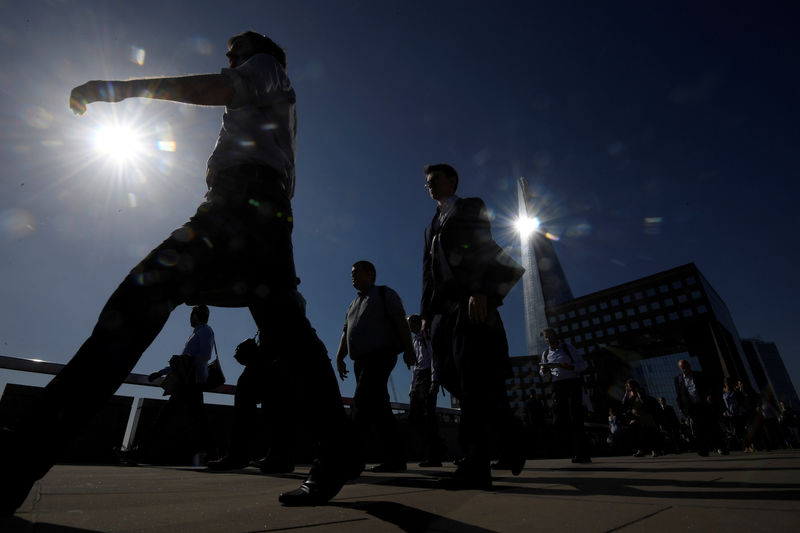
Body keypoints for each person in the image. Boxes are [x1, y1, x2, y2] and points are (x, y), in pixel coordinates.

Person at [1, 31, 357, 515]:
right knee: (288, 332)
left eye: (234, 54)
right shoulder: (274, 99)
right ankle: (339, 450)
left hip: (241, 209)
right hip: (259, 211)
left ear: (253, 54)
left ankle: (22, 456)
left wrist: (118, 89)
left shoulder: (265, 69)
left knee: (139, 297)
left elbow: (217, 89)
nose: (229, 60)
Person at [420, 163, 525, 489]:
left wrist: (480, 289)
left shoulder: (470, 206)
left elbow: (481, 246)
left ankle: (475, 464)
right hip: (443, 310)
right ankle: (511, 435)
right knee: (451, 375)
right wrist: (425, 314)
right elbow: (428, 272)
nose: (430, 186)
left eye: (435, 180)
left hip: (471, 302)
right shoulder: (430, 226)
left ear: (452, 180)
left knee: (471, 377)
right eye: (427, 183)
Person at [335, 261, 415, 472]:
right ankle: (396, 459)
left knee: (361, 401)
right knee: (381, 409)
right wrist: (339, 356)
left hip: (381, 356)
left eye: (356, 273)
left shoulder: (384, 293)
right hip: (359, 361)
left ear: (370, 274)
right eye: (351, 274)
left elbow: (400, 321)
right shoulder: (352, 304)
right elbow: (346, 332)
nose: (352, 276)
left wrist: (409, 349)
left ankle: (350, 458)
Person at [122, 305, 215, 464]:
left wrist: (187, 363)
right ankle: (212, 454)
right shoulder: (196, 333)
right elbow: (183, 362)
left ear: (197, 315)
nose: (189, 318)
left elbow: (205, 355)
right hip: (187, 382)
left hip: (191, 383)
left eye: (191, 315)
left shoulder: (205, 331)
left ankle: (141, 452)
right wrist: (161, 372)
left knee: (167, 417)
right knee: (196, 419)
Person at [539, 328, 591, 463]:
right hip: (557, 386)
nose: (548, 339)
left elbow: (582, 364)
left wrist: (570, 367)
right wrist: (544, 370)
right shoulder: (545, 353)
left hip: (572, 383)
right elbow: (542, 372)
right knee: (560, 418)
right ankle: (569, 449)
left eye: (550, 336)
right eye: (546, 337)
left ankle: (582, 453)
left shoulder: (568, 347)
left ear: (555, 336)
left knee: (575, 416)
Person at [407, 313, 444, 467]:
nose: (409, 327)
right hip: (418, 379)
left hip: (427, 375)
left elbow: (434, 357)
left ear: (417, 323)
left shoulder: (426, 336)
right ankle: (439, 445)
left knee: (429, 415)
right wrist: (411, 386)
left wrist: (435, 380)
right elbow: (415, 366)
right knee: (414, 416)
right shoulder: (415, 341)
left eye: (410, 324)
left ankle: (434, 456)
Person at [674, 359, 713, 456]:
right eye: (682, 368)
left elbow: (708, 386)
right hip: (690, 407)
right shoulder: (678, 379)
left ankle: (717, 446)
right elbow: (678, 395)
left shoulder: (699, 375)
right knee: (696, 428)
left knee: (707, 425)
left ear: (689, 365)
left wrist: (708, 395)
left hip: (702, 404)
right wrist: (680, 407)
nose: (684, 369)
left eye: (685, 367)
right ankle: (702, 449)